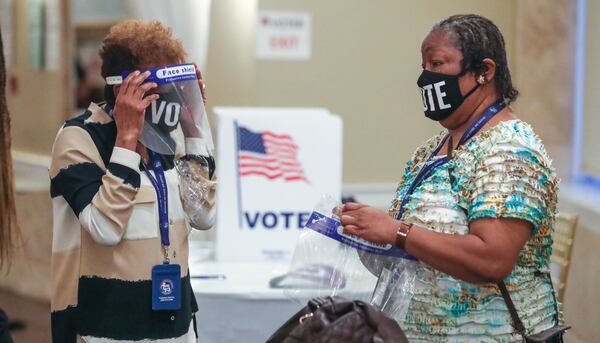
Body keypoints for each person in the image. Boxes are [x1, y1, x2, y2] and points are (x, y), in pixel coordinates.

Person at [340, 14, 561, 342]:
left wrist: (396, 231)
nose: (426, 77)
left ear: (484, 71)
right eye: (424, 65)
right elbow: (418, 249)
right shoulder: (432, 150)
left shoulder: (511, 149)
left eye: (437, 63)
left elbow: (493, 259)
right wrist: (368, 234)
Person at [49, 20, 216, 342]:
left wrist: (193, 129)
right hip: (103, 329)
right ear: (121, 89)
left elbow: (204, 216)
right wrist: (127, 138)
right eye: (155, 89)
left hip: (174, 326)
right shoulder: (78, 138)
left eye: (175, 86)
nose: (167, 97)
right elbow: (104, 228)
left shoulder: (170, 141)